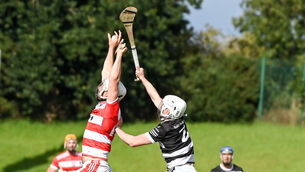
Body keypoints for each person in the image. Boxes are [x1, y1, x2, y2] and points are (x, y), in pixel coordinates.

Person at [115, 67, 197, 172]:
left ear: (168, 111)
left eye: (164, 106)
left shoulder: (164, 129)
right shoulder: (179, 119)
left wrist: (116, 128)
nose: (161, 106)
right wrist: (142, 78)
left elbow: (133, 142)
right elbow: (155, 98)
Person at [78, 30, 127, 172]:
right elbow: (106, 74)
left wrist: (119, 56)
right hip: (93, 166)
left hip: (96, 165)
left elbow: (113, 79)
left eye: (103, 87)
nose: (99, 87)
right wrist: (111, 48)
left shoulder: (111, 108)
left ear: (109, 93)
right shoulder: (103, 105)